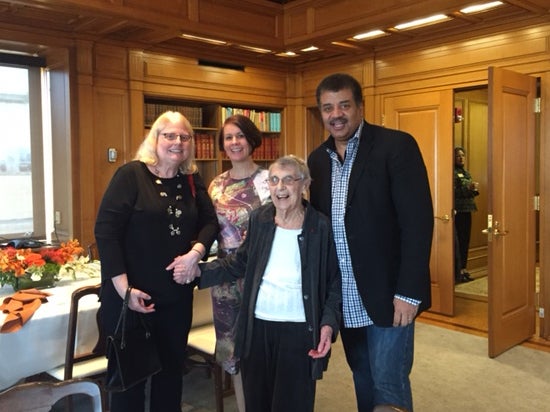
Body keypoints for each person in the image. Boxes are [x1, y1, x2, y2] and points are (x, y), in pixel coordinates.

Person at [307, 73, 433, 412]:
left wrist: (409, 292)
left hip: (390, 295)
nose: (336, 114)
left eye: (344, 105)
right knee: (362, 377)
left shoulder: (396, 146)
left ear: (360, 107)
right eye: (328, 107)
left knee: (389, 384)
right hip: (345, 296)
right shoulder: (317, 160)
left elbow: (417, 225)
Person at [178, 155, 342, 412]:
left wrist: (328, 324)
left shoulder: (320, 227)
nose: (280, 188)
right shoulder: (261, 220)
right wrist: (198, 272)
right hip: (257, 327)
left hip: (299, 330)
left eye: (289, 180)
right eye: (274, 180)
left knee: (292, 404)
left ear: (304, 184)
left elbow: (334, 282)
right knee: (258, 402)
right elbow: (239, 263)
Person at [94, 111, 219, 412]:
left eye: (184, 137)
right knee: (130, 384)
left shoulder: (191, 179)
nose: (177, 142)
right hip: (131, 299)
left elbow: (210, 222)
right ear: (155, 139)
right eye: (170, 135)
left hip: (175, 299)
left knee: (170, 376)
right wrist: (125, 290)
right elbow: (105, 232)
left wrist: (195, 254)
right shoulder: (131, 175)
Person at [207, 114, 271, 411]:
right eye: (229, 137)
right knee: (235, 355)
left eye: (240, 136)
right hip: (225, 282)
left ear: (252, 140)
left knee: (263, 350)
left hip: (263, 276)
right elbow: (208, 231)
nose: (234, 142)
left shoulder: (269, 181)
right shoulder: (216, 186)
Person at [454, 146, 479, 283]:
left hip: (468, 210)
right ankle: (457, 271)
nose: (461, 158)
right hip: (457, 211)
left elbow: (471, 193)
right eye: (458, 156)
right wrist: (467, 188)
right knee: (458, 242)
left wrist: (473, 189)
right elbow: (453, 192)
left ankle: (464, 268)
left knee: (465, 240)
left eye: (463, 155)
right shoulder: (452, 172)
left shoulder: (466, 173)